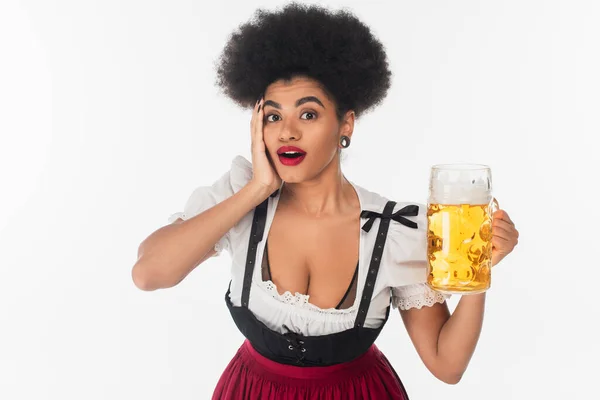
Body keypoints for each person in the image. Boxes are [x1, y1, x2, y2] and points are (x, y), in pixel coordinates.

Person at [132, 3, 519, 399]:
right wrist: (256, 190)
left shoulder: (394, 231)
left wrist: (478, 271)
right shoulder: (241, 197)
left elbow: (446, 365)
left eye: (309, 115)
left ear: (345, 123)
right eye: (273, 117)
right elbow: (148, 274)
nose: (287, 133)